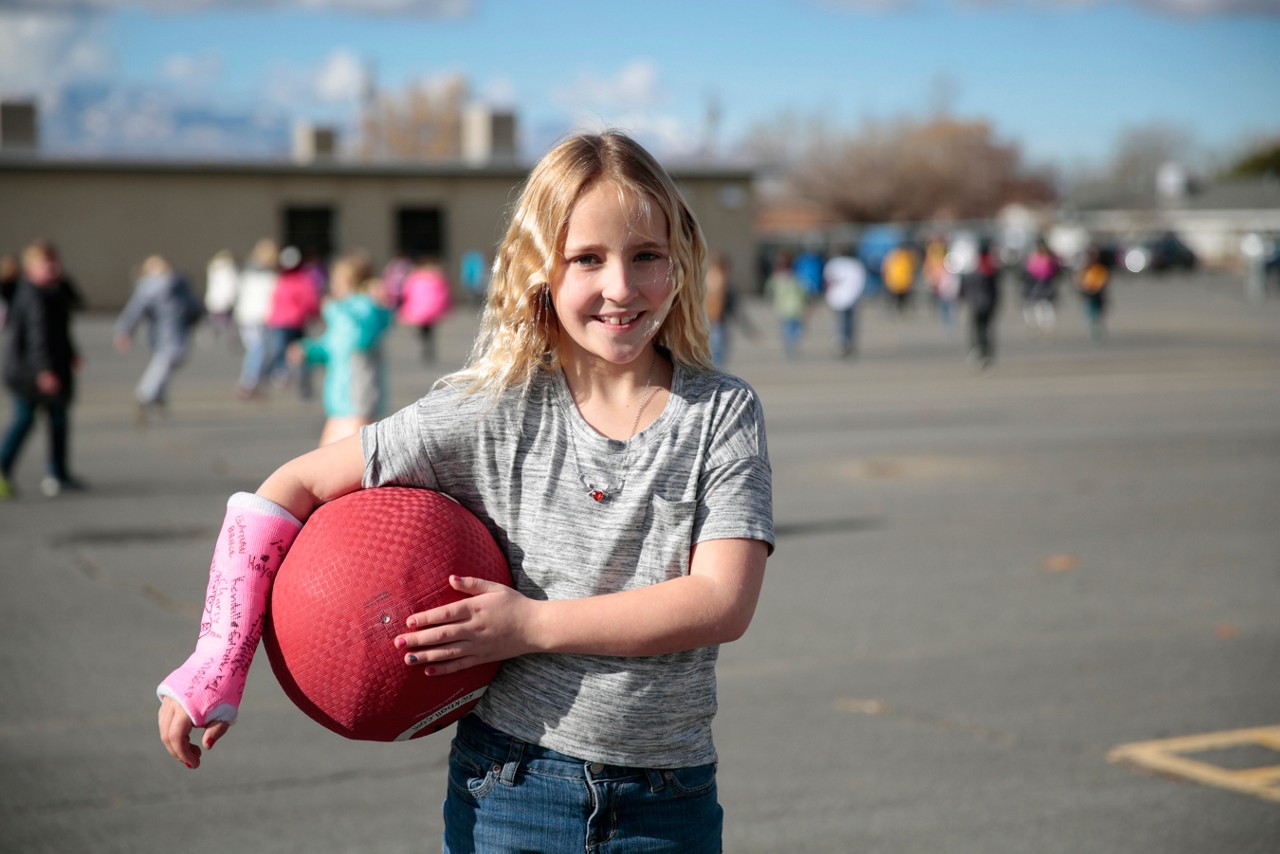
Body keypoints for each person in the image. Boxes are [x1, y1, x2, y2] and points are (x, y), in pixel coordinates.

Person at [156, 131, 774, 853]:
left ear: (679, 260)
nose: (620, 287)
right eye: (587, 259)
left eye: (646, 256)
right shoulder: (492, 409)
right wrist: (216, 661)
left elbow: (721, 601)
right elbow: (290, 486)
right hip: (512, 789)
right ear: (541, 269)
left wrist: (529, 626)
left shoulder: (722, 412)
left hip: (668, 801)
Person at [1, 239, 86, 499]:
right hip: (31, 372)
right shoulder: (33, 296)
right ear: (29, 269)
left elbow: (76, 308)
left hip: (49, 368)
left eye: (54, 262)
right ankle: (4, 467)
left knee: (58, 420)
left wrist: (71, 354)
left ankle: (57, 473)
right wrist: (44, 371)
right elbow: (39, 338)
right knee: (25, 419)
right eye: (45, 264)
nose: (52, 267)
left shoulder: (53, 292)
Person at [289, 252, 394, 447]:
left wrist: (334, 310)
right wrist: (308, 350)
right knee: (326, 461)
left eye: (338, 281)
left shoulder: (365, 307)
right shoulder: (343, 312)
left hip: (358, 400)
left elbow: (359, 338)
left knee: (347, 463)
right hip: (339, 402)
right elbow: (331, 345)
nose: (333, 286)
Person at [113, 255, 203, 425]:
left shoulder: (176, 284)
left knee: (169, 362)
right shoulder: (156, 286)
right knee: (165, 362)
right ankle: (145, 395)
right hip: (166, 331)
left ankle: (157, 395)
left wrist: (125, 331)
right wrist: (125, 330)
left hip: (169, 331)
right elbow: (135, 310)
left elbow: (193, 306)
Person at [265, 245, 321, 397]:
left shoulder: (281, 279)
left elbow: (274, 299)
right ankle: (302, 383)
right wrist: (316, 314)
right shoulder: (303, 279)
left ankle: (281, 375)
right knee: (302, 353)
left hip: (280, 321)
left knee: (281, 352)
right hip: (295, 321)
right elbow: (310, 301)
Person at [233, 238, 279, 399]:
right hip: (257, 316)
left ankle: (253, 381)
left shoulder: (247, 271)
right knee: (258, 348)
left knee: (259, 348)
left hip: (249, 315)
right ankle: (249, 382)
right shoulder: (265, 274)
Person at [398, 256, 453, 363]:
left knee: (423, 328)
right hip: (431, 308)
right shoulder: (436, 276)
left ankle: (425, 343)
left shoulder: (415, 277)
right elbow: (444, 292)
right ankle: (428, 344)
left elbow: (407, 291)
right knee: (429, 328)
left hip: (419, 308)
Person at [959, 239, 1001, 370]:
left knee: (977, 329)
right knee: (985, 329)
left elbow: (964, 289)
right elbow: (995, 291)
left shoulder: (974, 268)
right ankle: (985, 352)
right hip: (987, 304)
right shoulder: (991, 269)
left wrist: (963, 299)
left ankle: (979, 351)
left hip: (976, 304)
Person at [823, 247, 866, 358]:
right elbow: (860, 281)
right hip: (849, 297)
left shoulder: (833, 264)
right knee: (847, 321)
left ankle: (843, 342)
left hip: (838, 298)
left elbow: (827, 280)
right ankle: (844, 342)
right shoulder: (855, 264)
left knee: (842, 320)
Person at [764, 250, 807, 358]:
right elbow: (804, 291)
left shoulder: (778, 277)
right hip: (793, 307)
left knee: (789, 328)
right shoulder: (795, 277)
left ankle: (790, 345)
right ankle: (791, 346)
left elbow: (769, 290)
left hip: (785, 307)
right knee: (793, 328)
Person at [704, 251, 739, 368]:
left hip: (713, 322)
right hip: (716, 322)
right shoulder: (717, 278)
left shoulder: (710, 277)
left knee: (717, 353)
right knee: (717, 354)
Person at [1023, 237, 1060, 333]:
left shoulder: (1043, 255)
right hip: (1039, 280)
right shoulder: (1040, 255)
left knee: (1041, 301)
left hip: (1042, 280)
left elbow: (1030, 268)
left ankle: (1044, 321)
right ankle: (1042, 321)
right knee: (1041, 302)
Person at [203, 250, 239, 345]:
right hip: (224, 301)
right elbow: (230, 287)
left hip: (214, 300)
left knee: (216, 320)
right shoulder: (228, 271)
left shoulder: (214, 269)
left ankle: (212, 335)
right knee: (226, 322)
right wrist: (231, 299)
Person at [1075, 246, 1110, 343]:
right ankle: (1093, 330)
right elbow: (1079, 280)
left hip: (1097, 293)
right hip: (1088, 294)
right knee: (1090, 313)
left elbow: (1104, 280)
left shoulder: (1100, 268)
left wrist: (1096, 288)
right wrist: (1083, 288)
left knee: (1097, 313)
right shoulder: (1085, 269)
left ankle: (1096, 331)